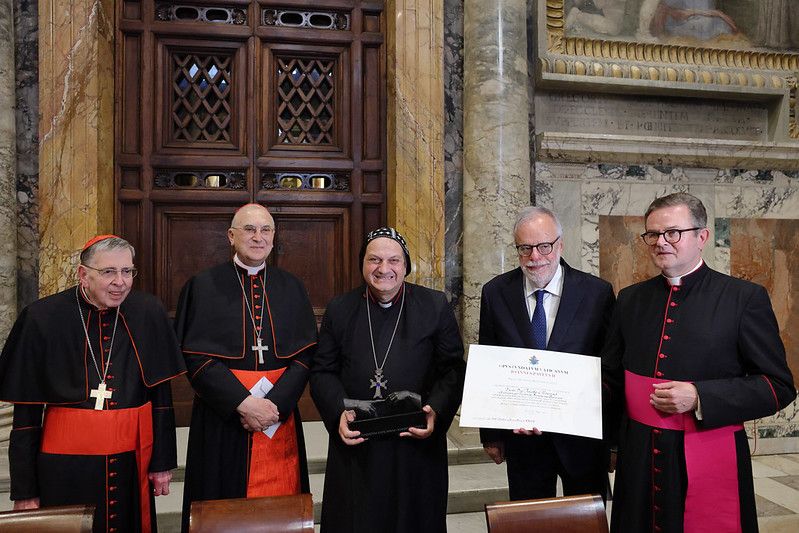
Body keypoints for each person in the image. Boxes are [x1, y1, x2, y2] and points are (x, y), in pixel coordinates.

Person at [602, 192, 796, 532]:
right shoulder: (630, 299)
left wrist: (699, 396)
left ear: (702, 236)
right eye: (653, 234)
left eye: (672, 233)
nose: (661, 242)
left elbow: (778, 385)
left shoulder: (742, 298)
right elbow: (612, 379)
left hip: (707, 451)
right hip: (640, 456)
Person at [0, 235, 186, 533]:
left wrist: (162, 463)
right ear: (82, 274)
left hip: (130, 461)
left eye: (127, 271)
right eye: (108, 272)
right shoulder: (42, 317)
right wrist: (25, 490)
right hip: (64, 467)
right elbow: (26, 418)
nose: (120, 282)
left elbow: (160, 397)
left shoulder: (148, 311)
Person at [310, 227, 465, 533]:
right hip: (358, 443)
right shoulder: (340, 309)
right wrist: (337, 413)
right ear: (362, 264)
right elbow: (322, 371)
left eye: (394, 260)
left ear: (406, 265)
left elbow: (452, 369)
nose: (384, 269)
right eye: (374, 260)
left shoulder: (434, 306)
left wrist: (435, 409)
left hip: (414, 442)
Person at [175, 203, 317, 532]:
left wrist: (275, 406)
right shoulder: (202, 286)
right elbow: (194, 356)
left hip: (277, 418)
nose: (258, 237)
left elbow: (306, 354)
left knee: (283, 505)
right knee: (220, 504)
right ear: (231, 236)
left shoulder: (292, 286)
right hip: (224, 416)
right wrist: (244, 403)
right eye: (249, 229)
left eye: (265, 230)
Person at [478, 207, 615, 501]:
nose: (535, 257)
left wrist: (614, 442)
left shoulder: (597, 293)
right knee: (528, 521)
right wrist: (491, 434)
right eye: (525, 248)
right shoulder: (495, 293)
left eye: (544, 246)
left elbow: (611, 369)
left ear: (560, 245)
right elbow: (488, 363)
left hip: (582, 440)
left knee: (585, 523)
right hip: (523, 438)